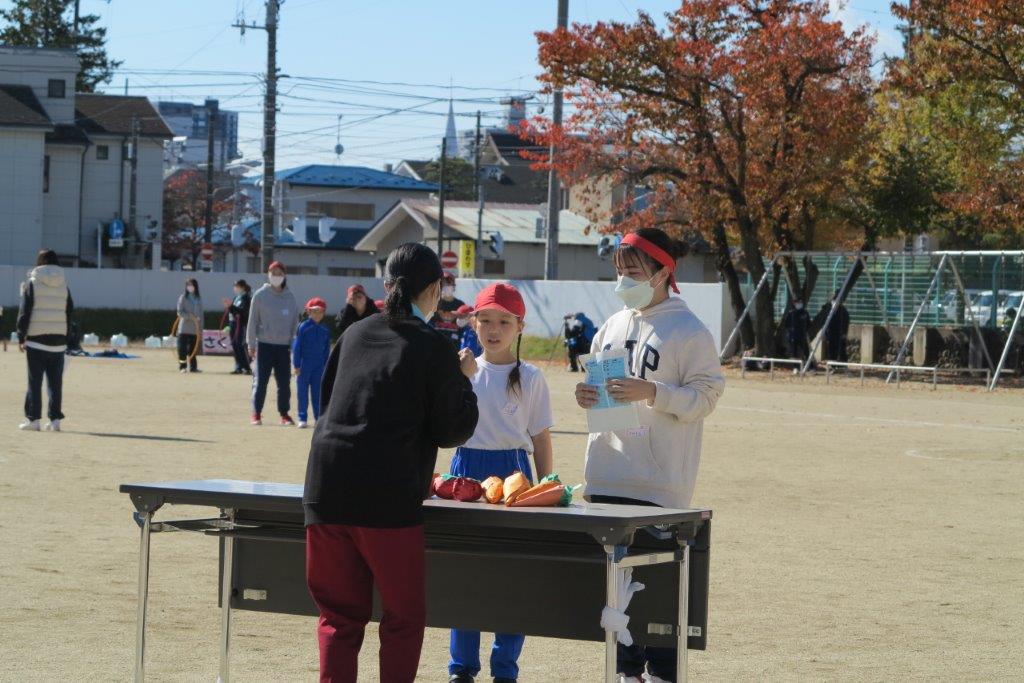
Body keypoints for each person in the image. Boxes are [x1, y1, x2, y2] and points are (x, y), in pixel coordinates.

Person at [303, 243, 479, 683]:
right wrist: (464, 382)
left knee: (339, 618)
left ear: (387, 287)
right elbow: (452, 430)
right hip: (387, 496)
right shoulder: (433, 344)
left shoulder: (354, 334)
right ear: (435, 290)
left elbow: (329, 403)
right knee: (402, 617)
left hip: (325, 488)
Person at [574, 228, 724, 683]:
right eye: (619, 271)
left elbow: (707, 395)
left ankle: (660, 673)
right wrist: (587, 396)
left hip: (658, 487)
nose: (624, 280)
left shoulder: (688, 329)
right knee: (614, 596)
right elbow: (607, 407)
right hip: (606, 478)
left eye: (634, 272)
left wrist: (653, 392)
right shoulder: (612, 325)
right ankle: (624, 672)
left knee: (658, 596)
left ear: (662, 272)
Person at [447, 283, 553, 683]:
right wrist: (461, 379)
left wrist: (547, 489)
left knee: (512, 574)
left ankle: (505, 668)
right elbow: (444, 424)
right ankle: (462, 668)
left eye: (504, 322)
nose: (494, 329)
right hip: (465, 469)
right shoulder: (461, 369)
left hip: (514, 472)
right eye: (486, 320)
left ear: (520, 326)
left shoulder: (531, 376)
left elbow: (541, 437)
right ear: (473, 323)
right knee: (463, 571)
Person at [16, 249, 74, 432]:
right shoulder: (64, 284)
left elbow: (24, 312)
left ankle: (33, 420)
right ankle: (55, 420)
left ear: (39, 262)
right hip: (58, 341)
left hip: (36, 340)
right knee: (55, 383)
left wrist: (21, 335)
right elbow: (69, 311)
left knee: (35, 382)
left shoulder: (32, 283)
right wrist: (67, 336)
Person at [247, 261, 301, 426]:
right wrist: (251, 344)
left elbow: (295, 323)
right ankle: (256, 413)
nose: (276, 276)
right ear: (268, 275)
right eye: (273, 273)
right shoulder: (260, 295)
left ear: (284, 276)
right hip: (264, 345)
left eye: (279, 273)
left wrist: (295, 346)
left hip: (283, 347)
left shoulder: (290, 297)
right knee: (261, 381)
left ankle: (284, 414)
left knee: (284, 383)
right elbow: (252, 321)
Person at [293, 297, 332, 429]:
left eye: (320, 311)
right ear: (308, 312)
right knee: (302, 393)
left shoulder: (325, 330)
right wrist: (296, 365)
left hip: (319, 366)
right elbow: (297, 347)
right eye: (314, 311)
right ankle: (302, 418)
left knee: (318, 393)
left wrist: (327, 366)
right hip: (304, 365)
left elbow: (327, 349)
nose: (317, 314)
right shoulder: (303, 327)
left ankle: (318, 418)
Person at [223, 279, 252, 375]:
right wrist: (228, 325)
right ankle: (238, 367)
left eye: (237, 286)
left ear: (243, 287)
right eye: (234, 286)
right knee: (235, 346)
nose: (235, 288)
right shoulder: (237, 297)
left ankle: (247, 367)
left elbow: (243, 311)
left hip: (241, 325)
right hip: (233, 324)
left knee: (240, 346)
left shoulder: (246, 298)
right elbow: (233, 312)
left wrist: (231, 307)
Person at [176, 278, 203, 373]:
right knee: (182, 349)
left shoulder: (198, 298)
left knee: (193, 350)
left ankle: (193, 367)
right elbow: (179, 312)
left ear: (195, 286)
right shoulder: (183, 297)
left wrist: (200, 329)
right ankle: (182, 367)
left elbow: (201, 315)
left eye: (191, 285)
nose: (189, 287)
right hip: (183, 328)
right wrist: (189, 316)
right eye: (188, 285)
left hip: (194, 329)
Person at [431, 272, 465, 347]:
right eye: (444, 285)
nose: (447, 287)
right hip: (435, 344)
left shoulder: (460, 305)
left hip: (454, 345)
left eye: (449, 284)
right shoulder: (434, 303)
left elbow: (464, 327)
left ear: (454, 287)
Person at [823, 292, 851, 362]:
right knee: (830, 350)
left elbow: (846, 322)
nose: (835, 302)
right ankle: (832, 365)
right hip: (830, 333)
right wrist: (825, 333)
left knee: (841, 350)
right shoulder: (828, 309)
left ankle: (843, 365)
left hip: (840, 333)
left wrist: (844, 333)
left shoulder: (843, 311)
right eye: (833, 300)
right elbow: (825, 322)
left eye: (836, 300)